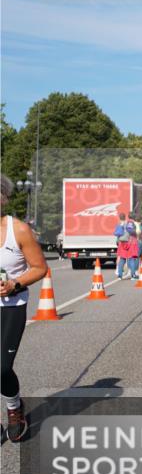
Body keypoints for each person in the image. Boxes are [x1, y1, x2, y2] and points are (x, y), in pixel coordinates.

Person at [1, 175, 47, 442]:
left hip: (10, 305)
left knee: (2, 368)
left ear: (3, 198)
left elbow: (40, 268)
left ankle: (14, 408)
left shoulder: (17, 230)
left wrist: (15, 283)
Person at [113, 212, 140, 279]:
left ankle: (120, 275)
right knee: (131, 259)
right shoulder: (130, 223)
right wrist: (135, 232)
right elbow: (133, 232)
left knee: (122, 259)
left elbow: (117, 234)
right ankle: (133, 275)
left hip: (122, 243)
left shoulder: (120, 224)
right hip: (130, 242)